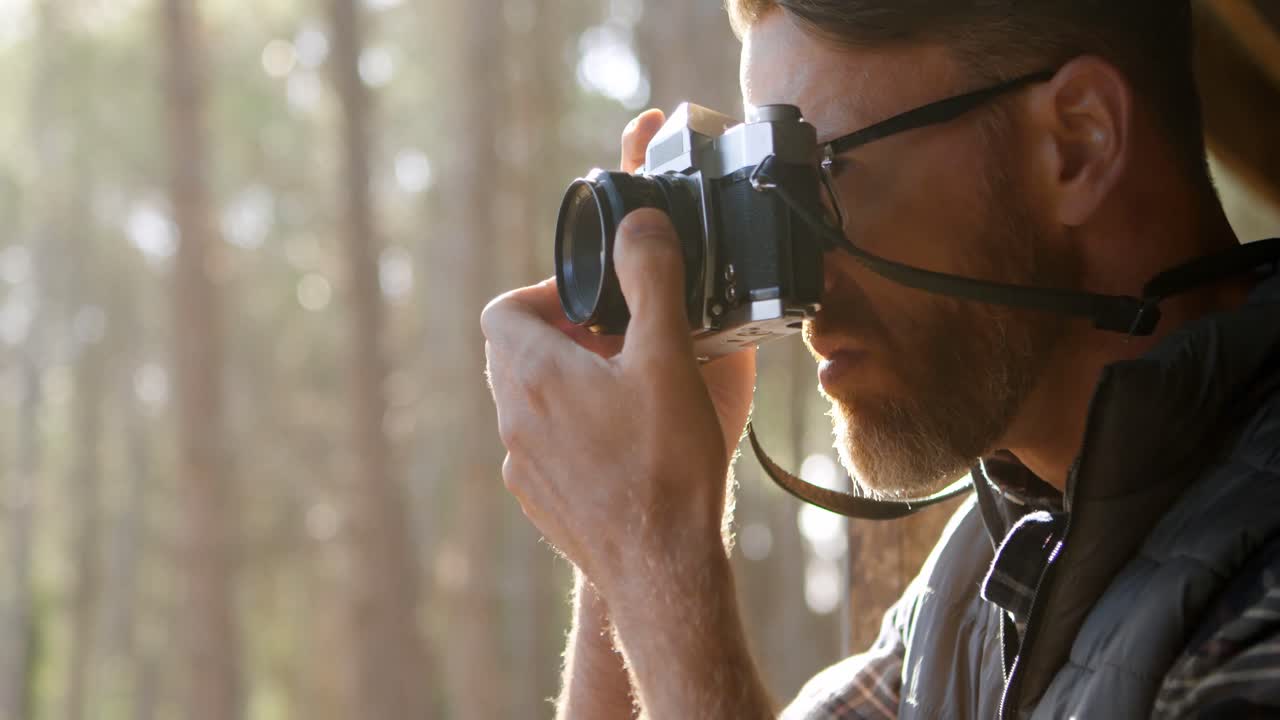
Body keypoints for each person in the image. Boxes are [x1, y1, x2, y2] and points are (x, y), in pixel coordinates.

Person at [481, 1, 1280, 717]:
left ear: (1076, 142)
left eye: (814, 178)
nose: (802, 284)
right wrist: (623, 539)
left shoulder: (1255, 614)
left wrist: (656, 559)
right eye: (761, 198)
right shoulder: (978, 585)